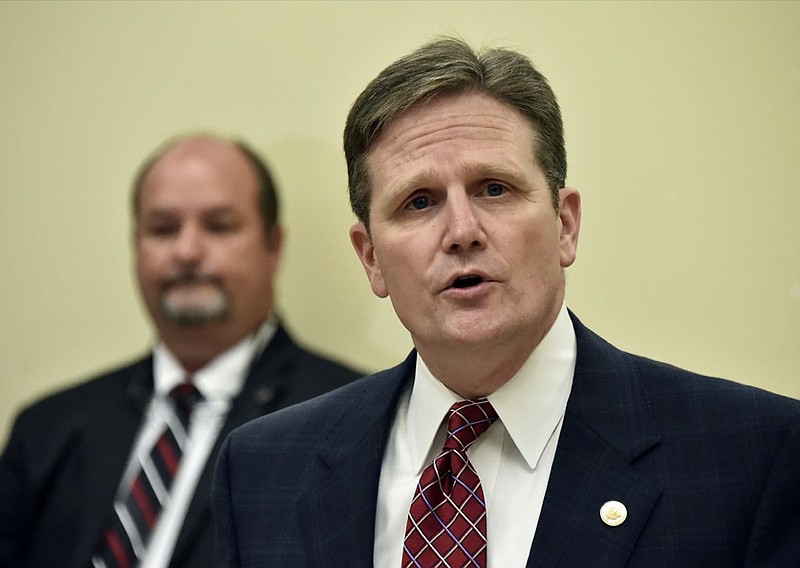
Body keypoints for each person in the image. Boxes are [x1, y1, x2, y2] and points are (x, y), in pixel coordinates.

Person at [212, 38, 800, 567]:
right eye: (418, 202)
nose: (462, 230)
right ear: (370, 258)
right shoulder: (264, 471)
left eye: (495, 188)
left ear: (565, 225)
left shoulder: (752, 456)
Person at [0, 134, 362, 568]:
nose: (187, 251)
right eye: (163, 228)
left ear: (273, 248)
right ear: (136, 246)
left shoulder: (350, 423)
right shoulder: (46, 430)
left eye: (219, 225)